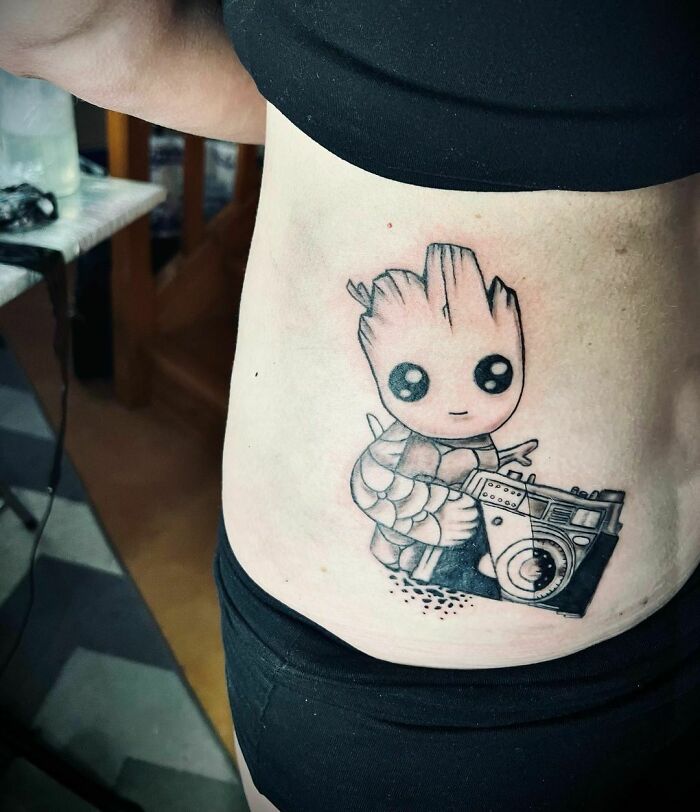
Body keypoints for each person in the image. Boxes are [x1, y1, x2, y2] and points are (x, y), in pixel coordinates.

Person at [2, 2, 698, 810]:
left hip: (405, 691)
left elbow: (77, 29)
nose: (460, 405)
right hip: (413, 686)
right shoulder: (397, 458)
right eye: (414, 383)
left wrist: (348, 98)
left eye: (492, 372)